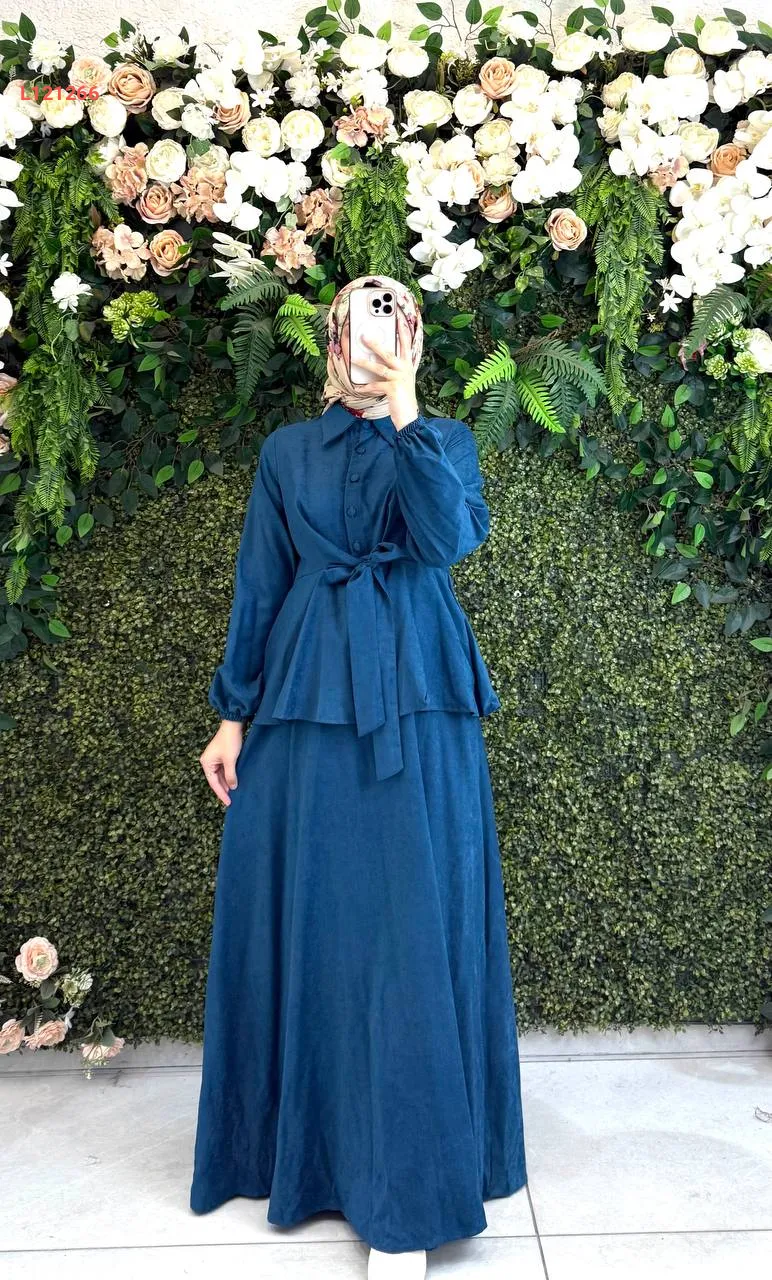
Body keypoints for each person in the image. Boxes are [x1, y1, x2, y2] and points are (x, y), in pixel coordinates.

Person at [189, 274, 528, 1277]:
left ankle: (410, 1194)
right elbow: (261, 581)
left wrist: (409, 407)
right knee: (326, 925)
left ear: (414, 340)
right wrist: (232, 712)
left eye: (392, 324)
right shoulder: (287, 451)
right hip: (308, 701)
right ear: (329, 341)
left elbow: (449, 538)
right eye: (354, 324)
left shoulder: (445, 440)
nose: (370, 343)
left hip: (421, 699)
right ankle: (315, 1156)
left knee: (415, 928)